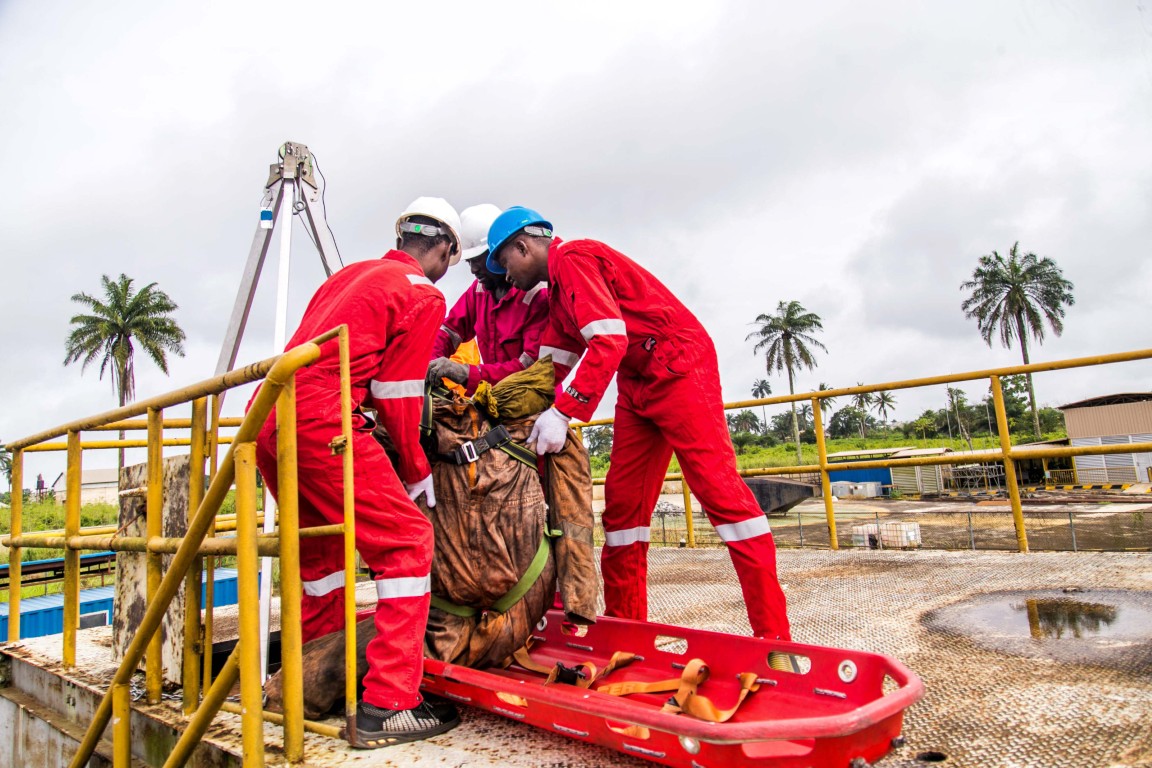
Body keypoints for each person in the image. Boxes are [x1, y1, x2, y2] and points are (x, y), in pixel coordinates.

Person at [486, 207, 791, 641]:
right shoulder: (559, 298)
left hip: (678, 367)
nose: (505, 275)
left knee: (722, 496)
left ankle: (775, 638)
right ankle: (628, 635)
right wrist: (495, 403)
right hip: (637, 384)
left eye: (505, 262)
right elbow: (547, 371)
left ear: (522, 246)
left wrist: (564, 412)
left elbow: (609, 341)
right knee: (624, 510)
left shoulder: (573, 258)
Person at [252, 196, 463, 748]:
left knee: (322, 557)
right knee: (407, 543)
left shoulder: (349, 277)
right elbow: (398, 392)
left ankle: (315, 685)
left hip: (269, 417)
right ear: (444, 248)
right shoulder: (423, 292)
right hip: (323, 419)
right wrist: (416, 469)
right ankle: (389, 704)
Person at [426, 203, 549, 393]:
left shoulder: (537, 295)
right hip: (494, 399)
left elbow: (529, 369)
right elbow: (449, 331)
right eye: (469, 261)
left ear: (498, 252)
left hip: (534, 402)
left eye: (478, 260)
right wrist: (430, 364)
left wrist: (466, 373)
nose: (473, 269)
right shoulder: (479, 290)